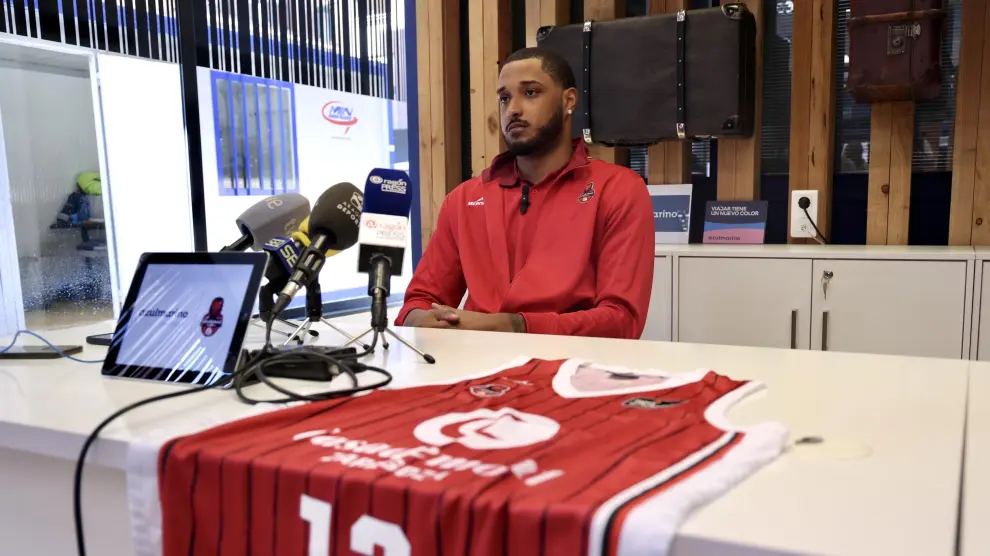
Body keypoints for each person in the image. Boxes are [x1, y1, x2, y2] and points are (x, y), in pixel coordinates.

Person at [394, 47, 655, 339]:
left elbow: (621, 321)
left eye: (530, 92)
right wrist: (421, 319)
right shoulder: (463, 199)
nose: (513, 109)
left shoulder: (619, 190)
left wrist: (513, 326)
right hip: (473, 368)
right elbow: (418, 301)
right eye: (504, 98)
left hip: (571, 371)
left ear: (568, 100)